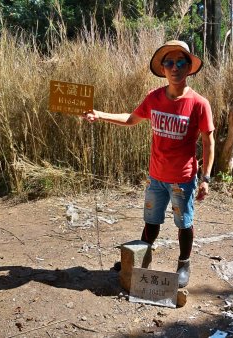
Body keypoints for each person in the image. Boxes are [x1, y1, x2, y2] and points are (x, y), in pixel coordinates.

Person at [83, 40, 215, 288]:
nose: (174, 67)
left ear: (188, 68)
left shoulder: (199, 103)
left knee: (183, 223)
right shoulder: (154, 98)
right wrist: (100, 114)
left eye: (180, 62)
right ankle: (138, 258)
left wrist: (205, 178)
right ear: (163, 68)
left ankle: (183, 263)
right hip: (156, 177)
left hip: (183, 180)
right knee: (151, 221)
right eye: (169, 63)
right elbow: (132, 119)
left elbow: (209, 141)